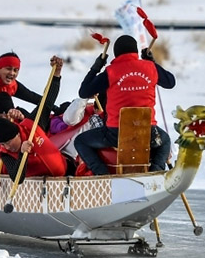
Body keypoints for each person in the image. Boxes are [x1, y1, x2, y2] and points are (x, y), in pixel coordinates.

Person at [74, 35, 176, 175]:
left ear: (116, 54)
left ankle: (103, 175)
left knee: (80, 141)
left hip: (116, 134)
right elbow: (170, 82)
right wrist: (151, 61)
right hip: (147, 132)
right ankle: (155, 173)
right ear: (135, 51)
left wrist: (96, 66)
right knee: (165, 141)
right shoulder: (150, 68)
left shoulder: (111, 71)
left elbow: (84, 92)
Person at [0, 115, 71, 189]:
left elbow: (46, 104)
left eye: (8, 142)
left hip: (68, 171)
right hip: (45, 187)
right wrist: (22, 154)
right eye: (2, 144)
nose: (7, 147)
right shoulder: (5, 154)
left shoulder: (29, 126)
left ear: (17, 134)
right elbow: (17, 178)